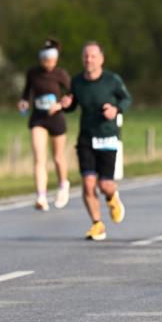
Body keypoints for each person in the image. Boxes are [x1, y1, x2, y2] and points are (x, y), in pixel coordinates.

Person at [61, 41, 132, 241]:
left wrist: (116, 110)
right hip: (86, 138)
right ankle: (97, 224)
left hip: (108, 136)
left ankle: (112, 197)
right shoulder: (77, 82)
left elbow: (127, 99)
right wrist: (66, 104)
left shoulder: (112, 80)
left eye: (92, 56)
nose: (88, 59)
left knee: (105, 185)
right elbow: (72, 104)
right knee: (88, 184)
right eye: (85, 56)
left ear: (101, 59)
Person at [17, 38, 72, 211]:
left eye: (52, 61)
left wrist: (60, 104)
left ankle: (63, 185)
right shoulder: (33, 73)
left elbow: (71, 95)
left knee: (57, 157)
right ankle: (41, 196)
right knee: (39, 158)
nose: (49, 64)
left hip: (56, 118)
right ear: (41, 59)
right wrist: (24, 102)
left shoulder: (61, 74)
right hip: (38, 118)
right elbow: (26, 94)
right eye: (46, 61)